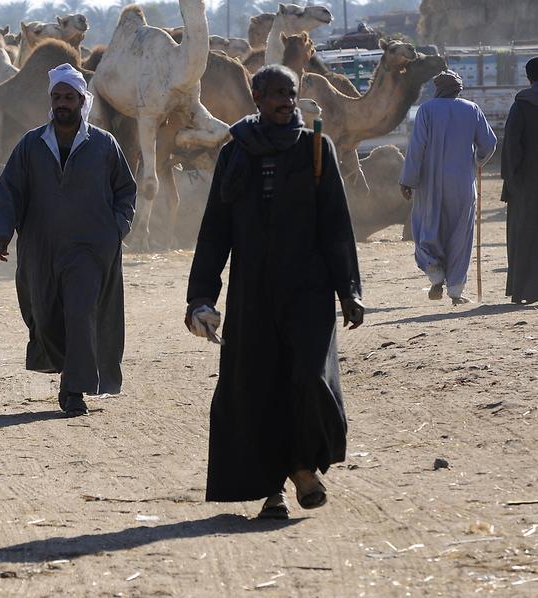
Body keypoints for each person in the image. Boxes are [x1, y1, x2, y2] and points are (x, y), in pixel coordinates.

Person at [186, 65, 364, 519]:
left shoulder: (316, 150)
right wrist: (201, 297)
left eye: (291, 94)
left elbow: (337, 228)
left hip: (309, 290)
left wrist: (349, 290)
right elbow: (214, 233)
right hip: (252, 293)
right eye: (277, 94)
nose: (287, 102)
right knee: (258, 387)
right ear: (257, 97)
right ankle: (277, 488)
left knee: (308, 379)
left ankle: (304, 464)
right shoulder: (235, 153)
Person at [0, 63, 136, 417]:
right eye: (57, 97)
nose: (62, 103)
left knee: (81, 313)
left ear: (82, 100)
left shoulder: (103, 145)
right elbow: (9, 190)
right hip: (41, 248)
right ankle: (69, 366)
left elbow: (125, 191)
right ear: (50, 100)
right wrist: (0, 233)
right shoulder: (31, 144)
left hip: (90, 249)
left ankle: (73, 389)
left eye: (69, 97)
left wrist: (116, 229)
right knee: (44, 314)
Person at [399, 70, 497, 305]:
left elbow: (416, 148)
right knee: (460, 234)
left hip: (429, 184)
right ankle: (455, 290)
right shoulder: (471, 109)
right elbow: (489, 144)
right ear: (459, 89)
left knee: (427, 227)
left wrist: (407, 180)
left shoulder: (426, 110)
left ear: (438, 89)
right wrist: (476, 162)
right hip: (462, 184)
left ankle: (435, 274)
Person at [501, 56, 538, 305]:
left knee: (524, 234)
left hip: (526, 183)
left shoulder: (521, 105)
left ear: (528, 77)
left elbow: (511, 146)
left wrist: (510, 181)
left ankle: (525, 291)